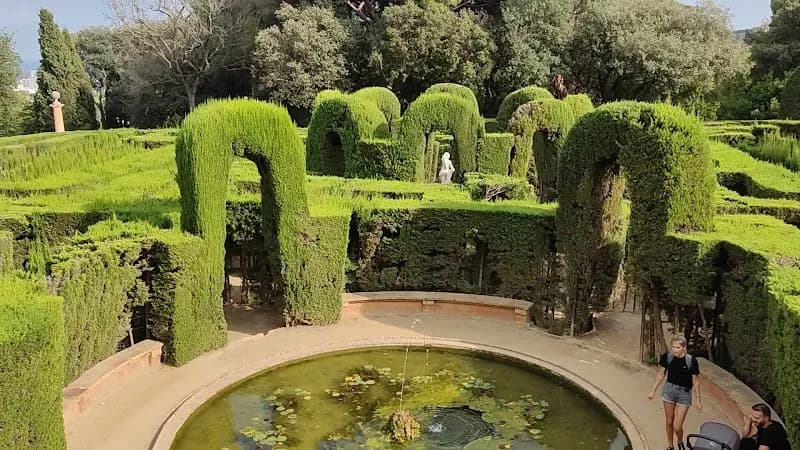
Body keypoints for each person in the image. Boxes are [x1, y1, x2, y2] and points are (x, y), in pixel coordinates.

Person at [647, 335, 702, 450]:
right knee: (669, 422)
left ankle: (680, 442)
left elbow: (695, 381)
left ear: (684, 347)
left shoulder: (691, 361)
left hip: (684, 394)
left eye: (677, 347)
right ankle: (670, 445)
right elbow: (661, 374)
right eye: (673, 347)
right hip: (669, 391)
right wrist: (653, 391)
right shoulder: (667, 357)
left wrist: (698, 400)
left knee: (677, 426)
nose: (674, 350)